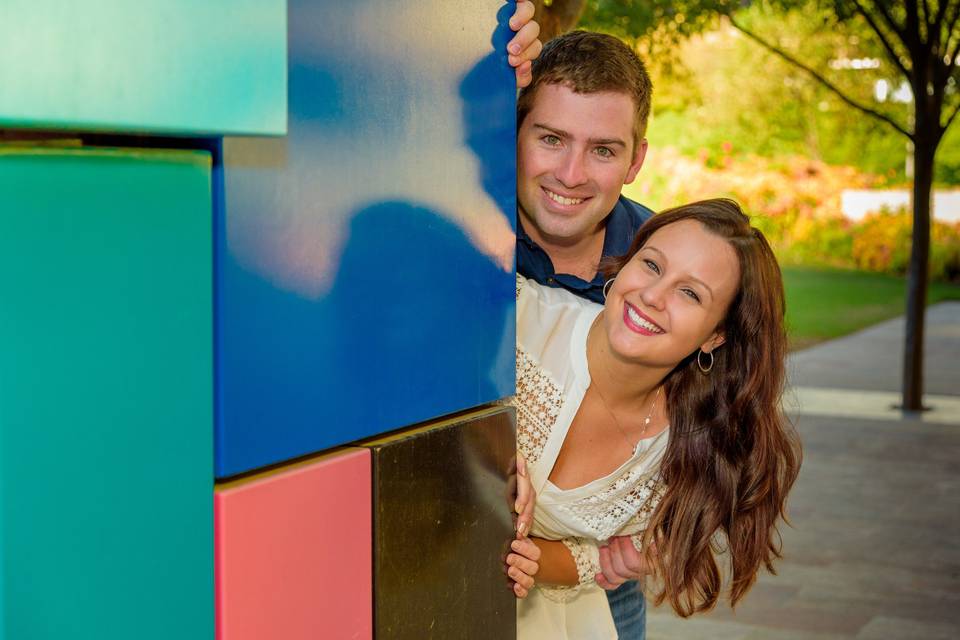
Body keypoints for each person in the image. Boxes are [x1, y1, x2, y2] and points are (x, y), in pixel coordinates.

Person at [508, 199, 802, 639]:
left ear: (716, 335)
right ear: (624, 265)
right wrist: (487, 447)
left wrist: (534, 557)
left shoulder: (688, 450)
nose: (652, 296)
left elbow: (591, 561)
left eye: (690, 293)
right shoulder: (518, 316)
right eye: (651, 265)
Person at [513, 28, 655, 636]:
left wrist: (671, 520)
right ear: (514, 134)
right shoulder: (460, 232)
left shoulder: (659, 269)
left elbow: (726, 415)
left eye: (602, 149)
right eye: (551, 138)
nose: (570, 174)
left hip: (600, 587)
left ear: (636, 160)